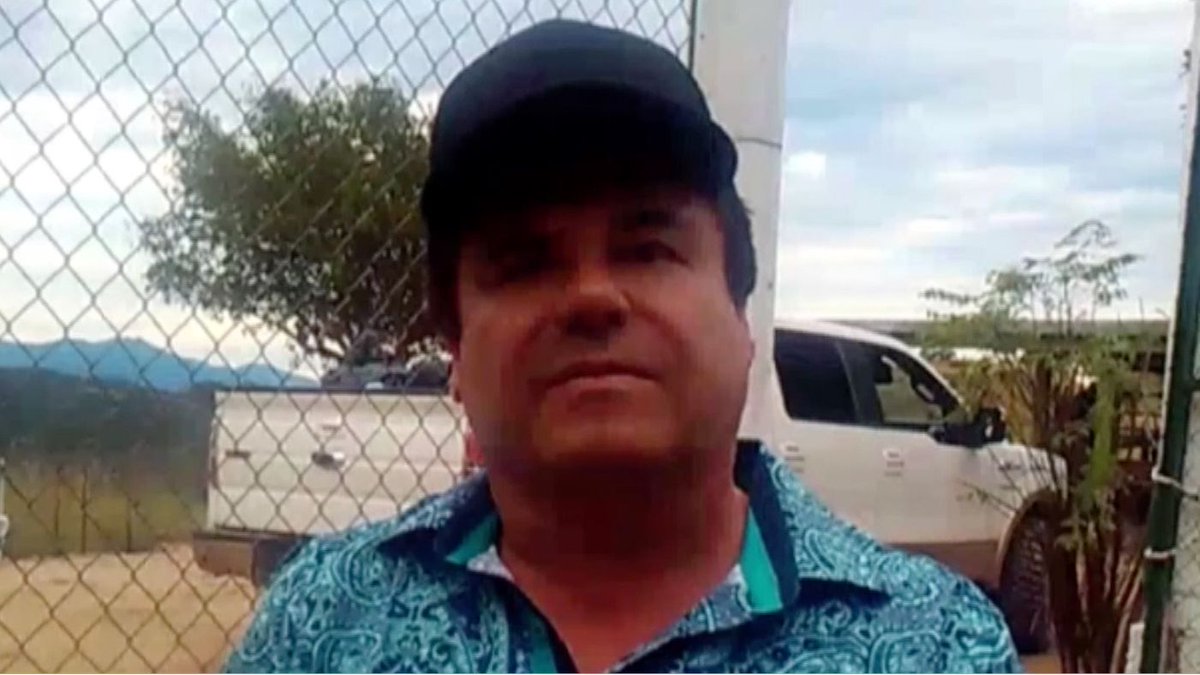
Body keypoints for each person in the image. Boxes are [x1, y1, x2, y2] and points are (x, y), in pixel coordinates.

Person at [225, 19, 1021, 673]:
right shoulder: (324, 622)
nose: (592, 296)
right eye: (524, 263)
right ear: (456, 351)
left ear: (742, 320)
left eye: (647, 249)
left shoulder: (936, 646)